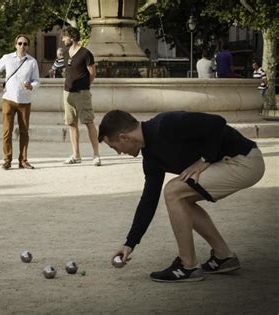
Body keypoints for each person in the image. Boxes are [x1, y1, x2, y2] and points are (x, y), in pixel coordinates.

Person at [98, 110, 265, 283]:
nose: (118, 153)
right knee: (180, 197)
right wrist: (130, 243)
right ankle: (224, 257)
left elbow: (217, 122)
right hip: (233, 163)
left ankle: (187, 265)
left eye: (114, 147)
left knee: (173, 191)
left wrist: (204, 160)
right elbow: (149, 200)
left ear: (124, 137)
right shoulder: (151, 157)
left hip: (244, 160)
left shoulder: (166, 123)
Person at [0, 34, 40, 170]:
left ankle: (23, 160)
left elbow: (37, 81)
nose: (22, 46)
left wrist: (32, 86)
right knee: (7, 131)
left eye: (25, 44)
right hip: (8, 99)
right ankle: (7, 159)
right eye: (20, 43)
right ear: (15, 44)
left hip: (24, 100)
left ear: (28, 46)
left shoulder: (32, 62)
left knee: (24, 132)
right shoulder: (7, 58)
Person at [61, 26, 101, 166]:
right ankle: (76, 155)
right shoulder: (65, 53)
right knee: (72, 123)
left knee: (89, 122)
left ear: (72, 37)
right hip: (67, 92)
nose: (62, 39)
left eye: (64, 36)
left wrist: (84, 87)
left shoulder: (86, 53)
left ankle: (96, 155)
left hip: (82, 93)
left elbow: (92, 74)